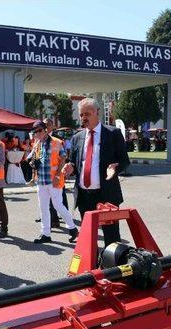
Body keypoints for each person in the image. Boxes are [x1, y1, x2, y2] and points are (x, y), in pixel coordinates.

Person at [61, 98, 130, 247]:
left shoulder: (113, 133)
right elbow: (74, 162)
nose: (83, 117)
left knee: (111, 236)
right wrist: (70, 167)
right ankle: (92, 267)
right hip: (84, 196)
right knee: (89, 237)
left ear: (97, 113)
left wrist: (115, 168)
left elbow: (125, 160)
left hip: (106, 195)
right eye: (81, 115)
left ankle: (112, 267)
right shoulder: (77, 137)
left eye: (87, 113)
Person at [30, 120, 78, 244]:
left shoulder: (56, 142)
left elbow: (63, 158)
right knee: (43, 208)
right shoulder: (37, 144)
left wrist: (57, 175)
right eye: (35, 132)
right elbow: (35, 159)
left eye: (40, 130)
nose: (38, 133)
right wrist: (33, 163)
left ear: (45, 129)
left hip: (54, 180)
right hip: (41, 180)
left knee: (58, 206)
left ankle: (73, 229)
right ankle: (46, 234)